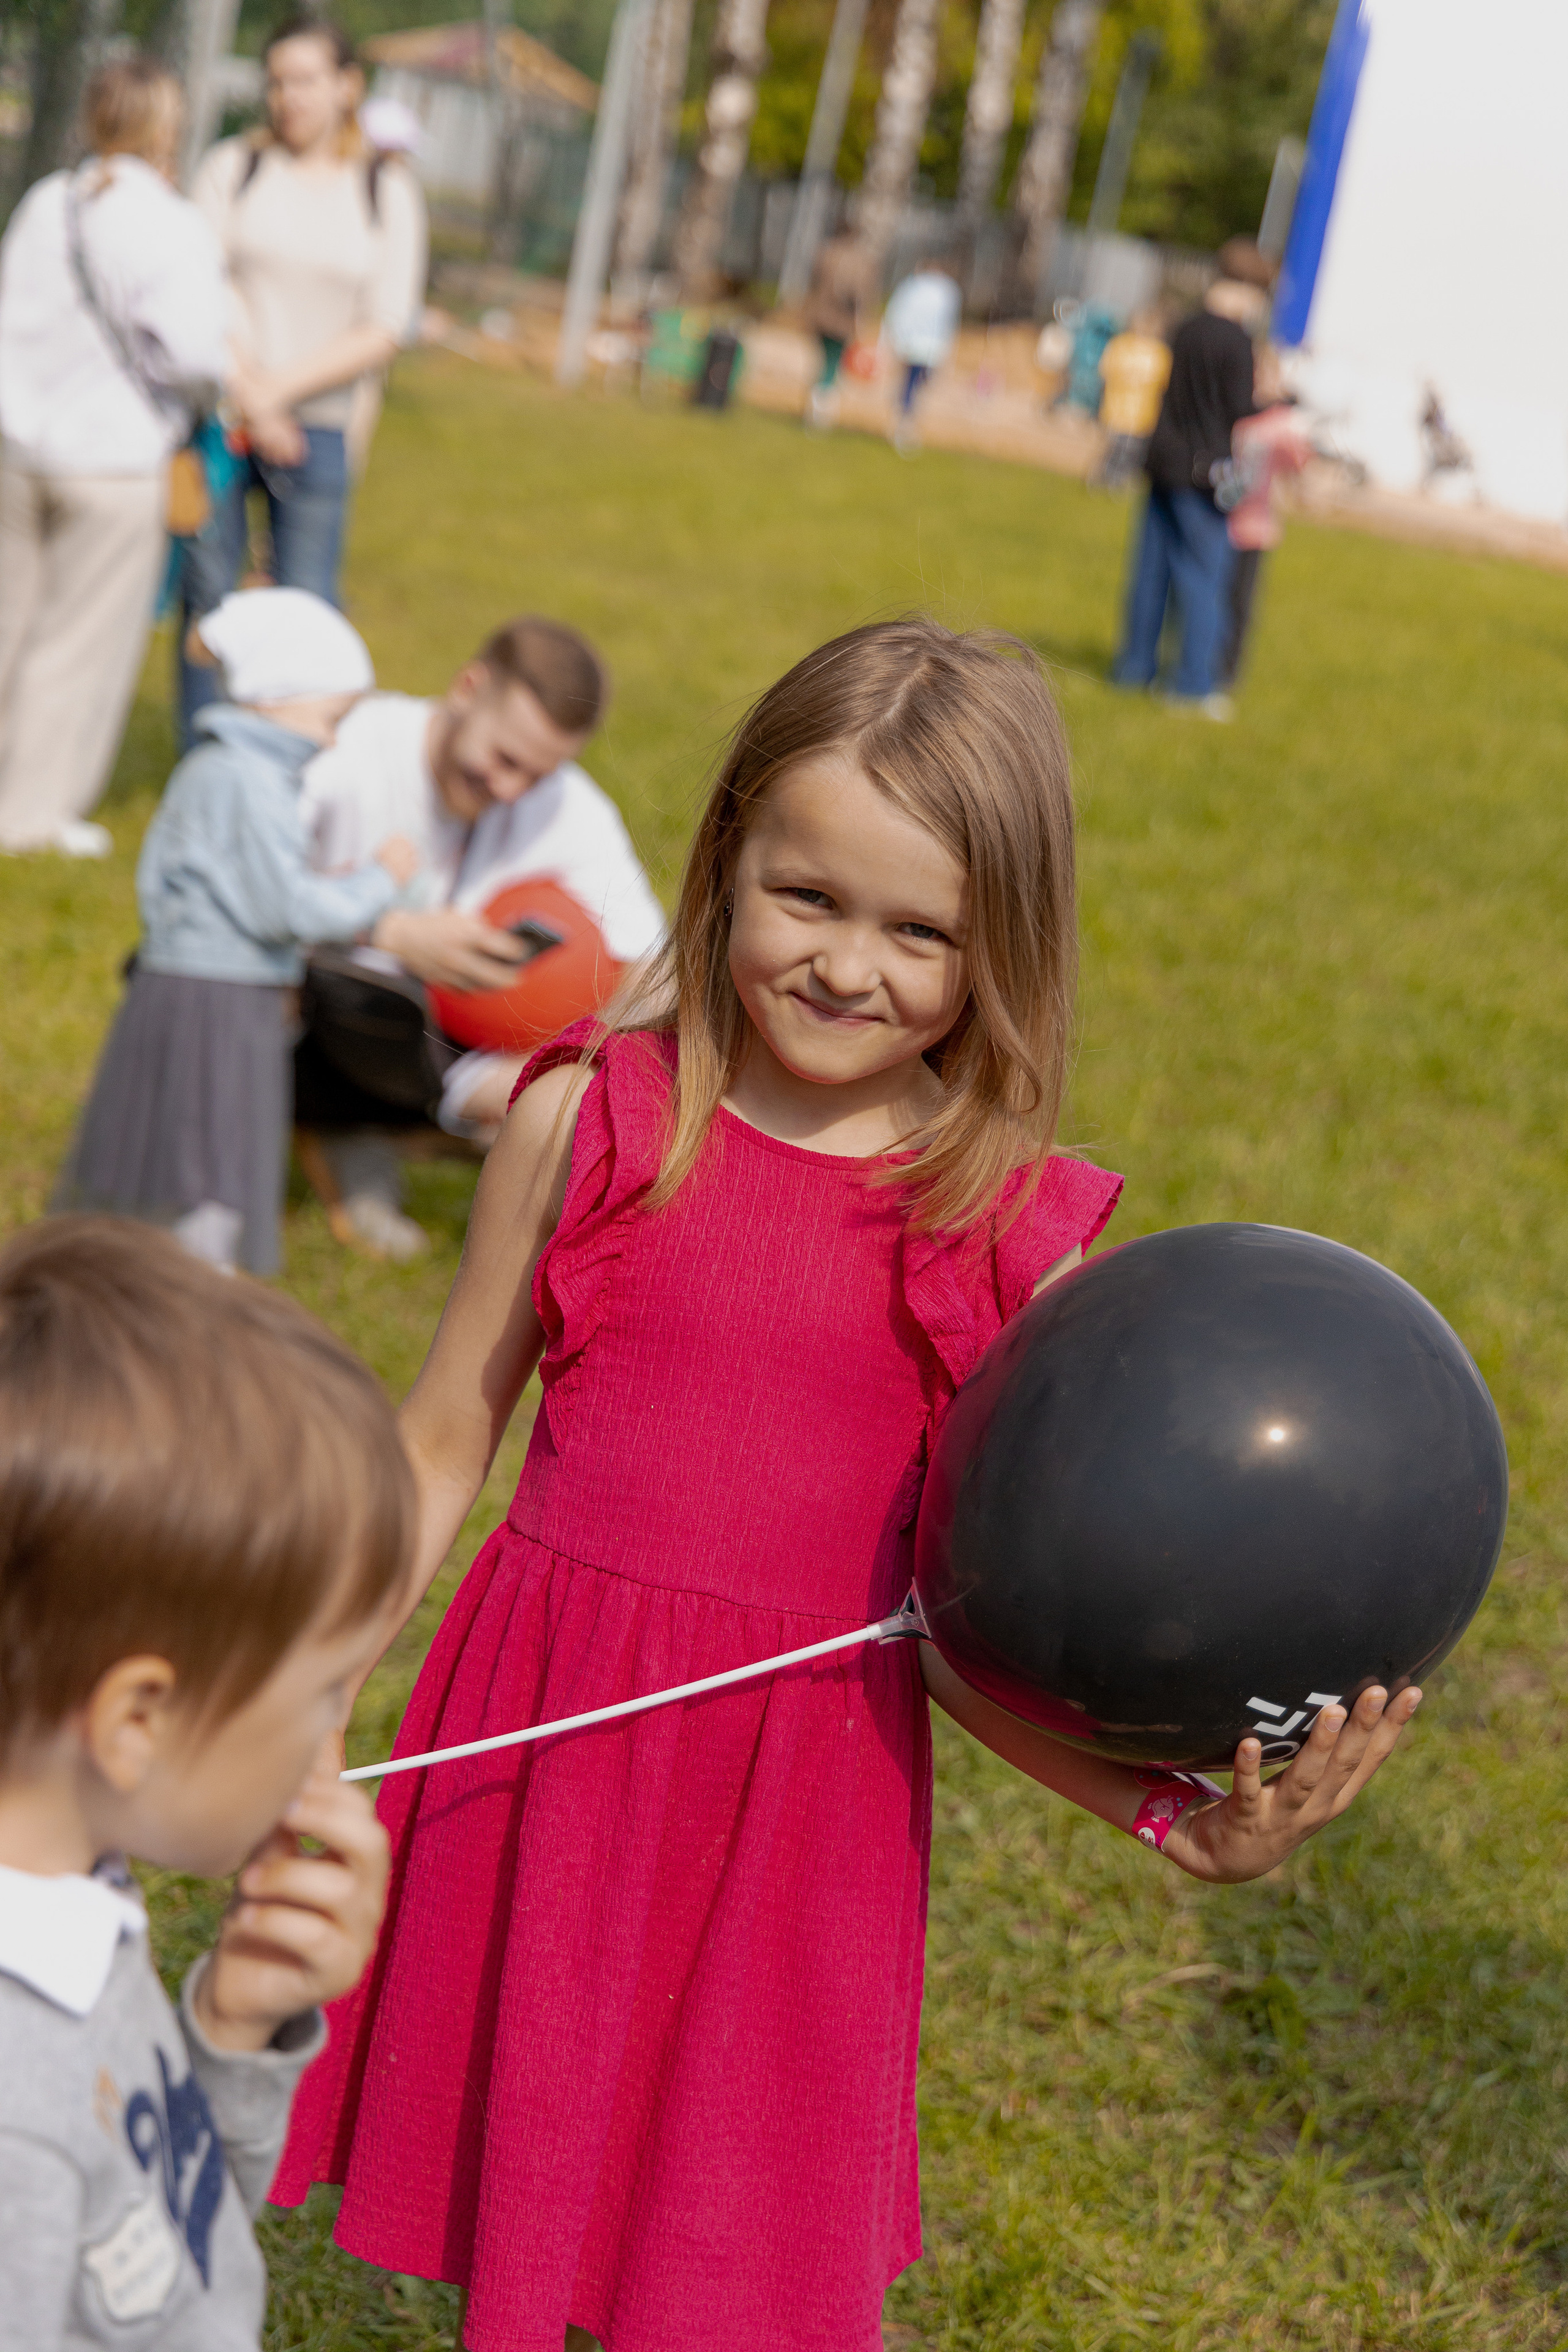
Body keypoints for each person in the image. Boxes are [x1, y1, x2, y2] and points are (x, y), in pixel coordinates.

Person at [270, 617, 1420, 2349]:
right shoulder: (581, 1125)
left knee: (721, 2270)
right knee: (534, 2228)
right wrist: (316, 1690)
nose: (849, 966)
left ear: (1003, 947)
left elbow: (965, 1639)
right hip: (541, 1767)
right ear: (726, 862)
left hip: (795, 1833)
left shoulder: (999, 1235)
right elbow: (443, 1440)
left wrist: (1179, 1815)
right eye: (808, 899)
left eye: (923, 933)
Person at [0, 1214, 412, 2350]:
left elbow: (162, 2255)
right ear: (137, 1720)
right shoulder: (12, 2146)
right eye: (322, 1692)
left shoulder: (73, 1893)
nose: (336, 1727)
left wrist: (232, 2028)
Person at [55, 587, 419, 1276]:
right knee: (212, 1151)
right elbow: (293, 911)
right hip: (218, 999)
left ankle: (163, 1281)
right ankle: (195, 1288)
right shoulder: (249, 780)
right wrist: (378, 878)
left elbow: (248, 893)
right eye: (330, 717)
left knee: (191, 1144)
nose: (332, 738)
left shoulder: (224, 773)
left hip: (209, 986)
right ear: (277, 697)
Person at [292, 614, 665, 1259]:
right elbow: (236, 893)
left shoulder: (566, 804)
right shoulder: (347, 750)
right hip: (323, 1009)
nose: (512, 790)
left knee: (616, 1064)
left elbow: (650, 963)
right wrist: (392, 933)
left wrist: (602, 1055)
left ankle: (475, 1130)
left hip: (472, 1047)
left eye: (537, 775)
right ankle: (346, 1126)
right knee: (357, 990)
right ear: (468, 687)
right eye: (504, 760)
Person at [177, 13, 428, 741]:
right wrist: (250, 396)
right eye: (278, 81)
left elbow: (383, 326)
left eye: (307, 80)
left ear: (347, 87)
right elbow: (199, 288)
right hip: (223, 419)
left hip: (316, 432)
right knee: (211, 601)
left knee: (309, 605)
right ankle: (206, 756)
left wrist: (277, 397)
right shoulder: (234, 166)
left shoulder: (385, 188)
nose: (289, 97)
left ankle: (295, 766)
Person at [0, 56, 227, 857]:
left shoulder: (45, 202)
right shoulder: (170, 221)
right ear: (165, 128)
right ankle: (31, 817)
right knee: (76, 641)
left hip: (18, 445)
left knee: (9, 621)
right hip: (112, 458)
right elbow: (198, 354)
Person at [1111, 238, 1268, 717]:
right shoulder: (1236, 341)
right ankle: (1193, 685)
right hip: (1204, 475)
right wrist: (1281, 403)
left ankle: (1133, 669)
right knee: (1204, 577)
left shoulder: (1183, 328)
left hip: (1161, 460)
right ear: (1248, 289)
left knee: (1151, 572)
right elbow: (1241, 409)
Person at [1216, 345, 1311, 690]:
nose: (1261, 383)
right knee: (1212, 600)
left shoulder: (1281, 422)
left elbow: (1298, 464)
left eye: (1267, 376)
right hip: (1221, 523)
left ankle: (1227, 675)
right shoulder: (1235, 414)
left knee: (1240, 606)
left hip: (1255, 529)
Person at [880, 257, 961, 454]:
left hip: (914, 344)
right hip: (929, 347)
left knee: (912, 382)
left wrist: (893, 339)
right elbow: (948, 323)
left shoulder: (915, 286)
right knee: (915, 383)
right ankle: (906, 421)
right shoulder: (946, 290)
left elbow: (897, 313)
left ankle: (904, 414)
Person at [1093, 306, 1171, 489]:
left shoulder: (1160, 352)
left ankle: (1119, 481)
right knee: (1115, 446)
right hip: (1117, 408)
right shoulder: (1121, 345)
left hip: (1144, 412)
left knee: (1133, 450)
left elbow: (1164, 383)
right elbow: (1106, 371)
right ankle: (1104, 478)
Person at [801, 230, 872, 430]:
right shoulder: (858, 261)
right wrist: (861, 321)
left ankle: (815, 405)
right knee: (833, 363)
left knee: (824, 361)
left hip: (820, 316)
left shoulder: (827, 253)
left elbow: (813, 284)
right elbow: (857, 294)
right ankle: (821, 411)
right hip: (841, 320)